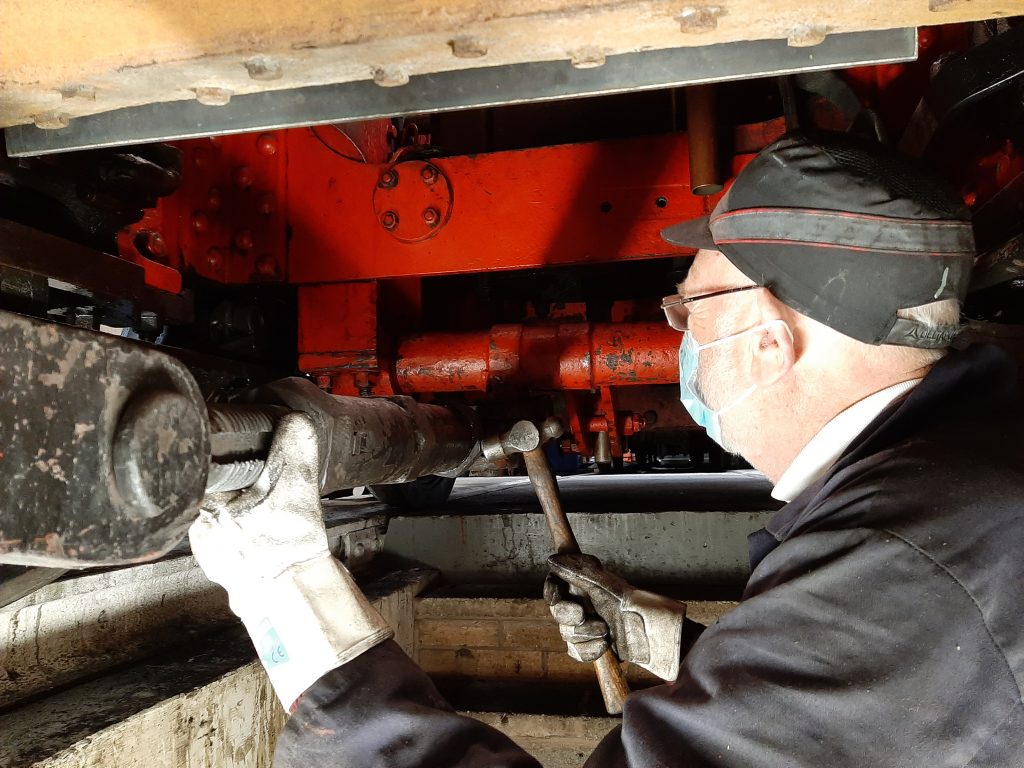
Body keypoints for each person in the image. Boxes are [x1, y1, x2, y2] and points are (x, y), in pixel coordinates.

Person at [189, 131, 1024, 767]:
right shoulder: (950, 501)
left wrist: (288, 597)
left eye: (688, 311)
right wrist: (667, 641)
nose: (681, 336)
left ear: (771, 340)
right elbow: (863, 704)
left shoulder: (905, 563)